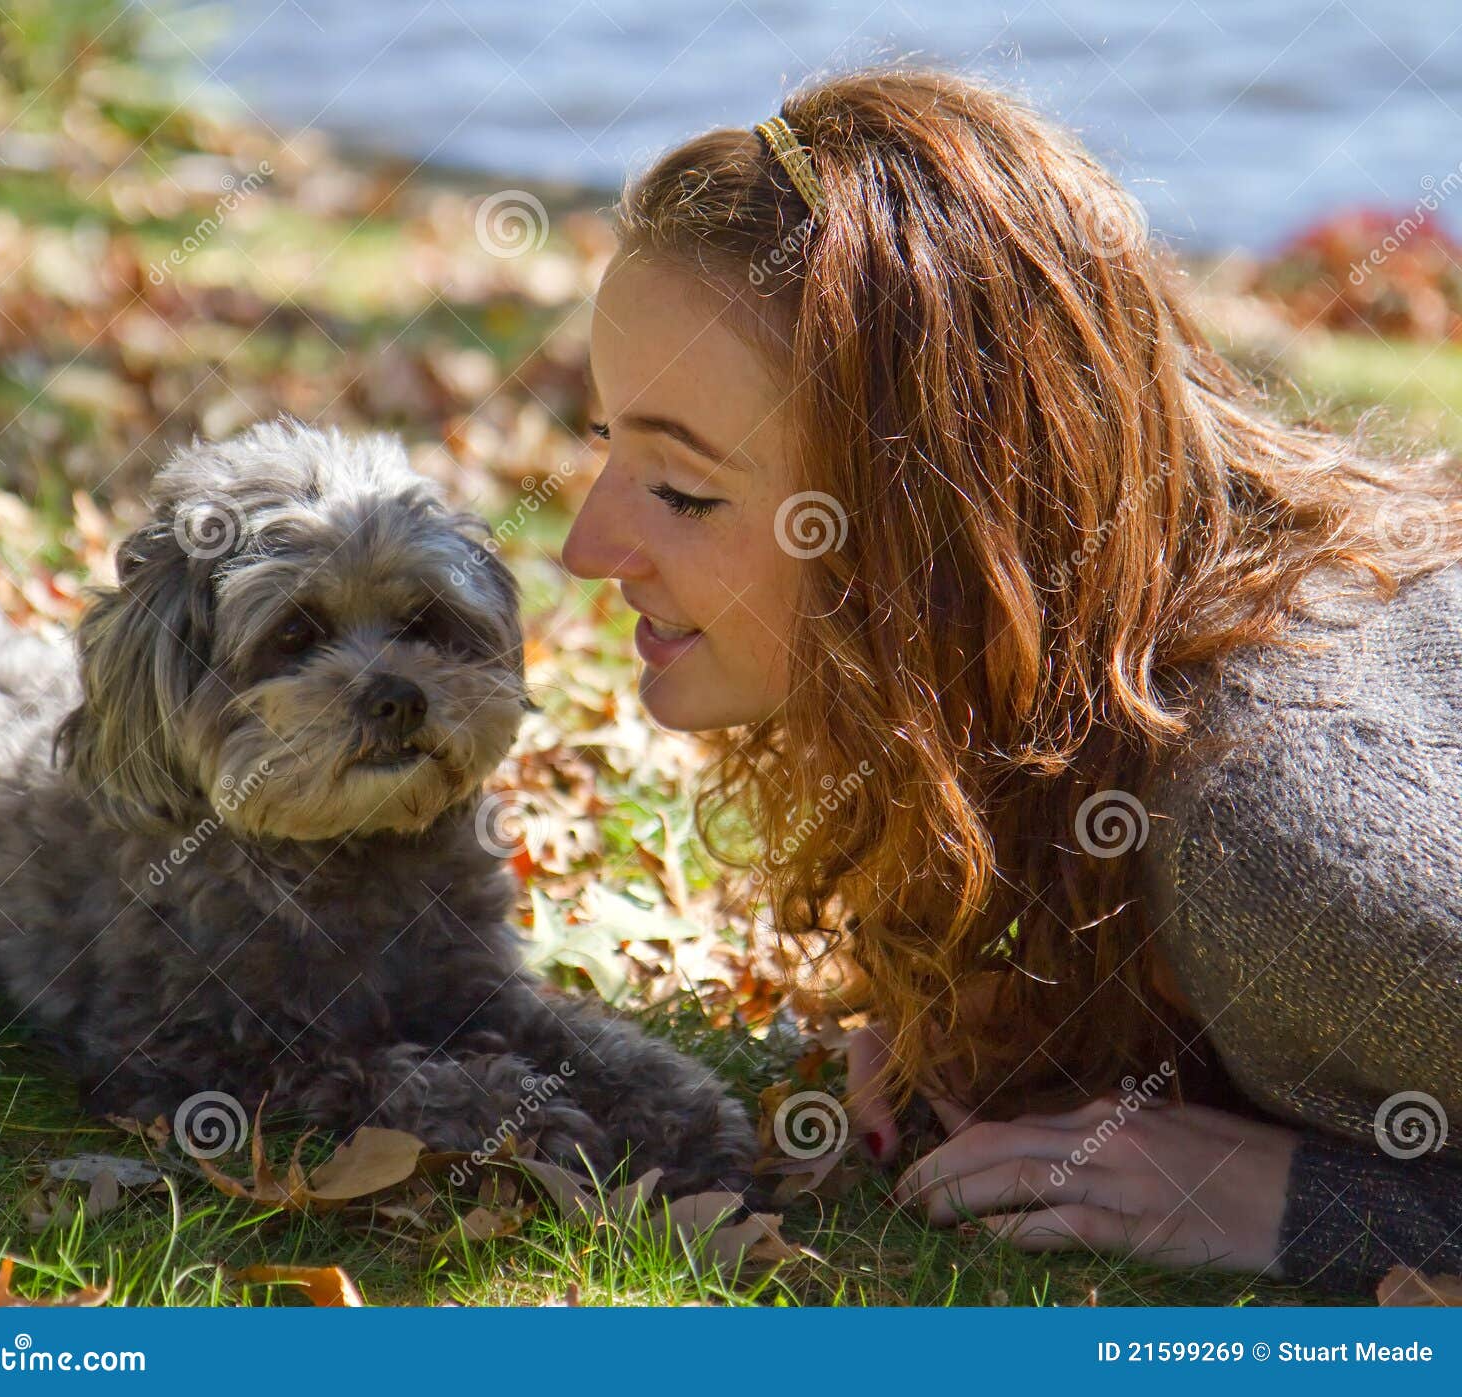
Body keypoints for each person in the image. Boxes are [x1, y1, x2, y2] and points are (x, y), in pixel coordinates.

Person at [560, 64, 1462, 1297]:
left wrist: (1322, 1206)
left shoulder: (1285, 845)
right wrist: (1026, 991)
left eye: (683, 490)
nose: (582, 548)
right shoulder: (1140, 659)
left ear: (931, 526)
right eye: (609, 443)